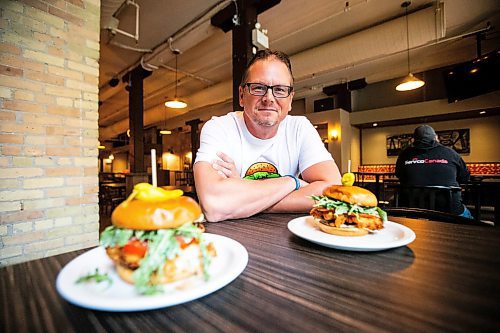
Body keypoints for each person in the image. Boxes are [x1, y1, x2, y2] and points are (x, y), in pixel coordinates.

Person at [193, 49, 341, 222]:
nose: (269, 98)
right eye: (258, 88)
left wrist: (242, 194)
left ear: (290, 99)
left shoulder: (300, 128)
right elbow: (215, 205)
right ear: (242, 96)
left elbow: (333, 191)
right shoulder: (219, 128)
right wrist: (293, 182)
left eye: (279, 89)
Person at [395, 125, 472, 218]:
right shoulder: (451, 153)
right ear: (436, 138)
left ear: (414, 140)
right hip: (450, 212)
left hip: (413, 212)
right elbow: (465, 178)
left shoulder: (404, 155)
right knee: (472, 223)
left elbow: (400, 176)